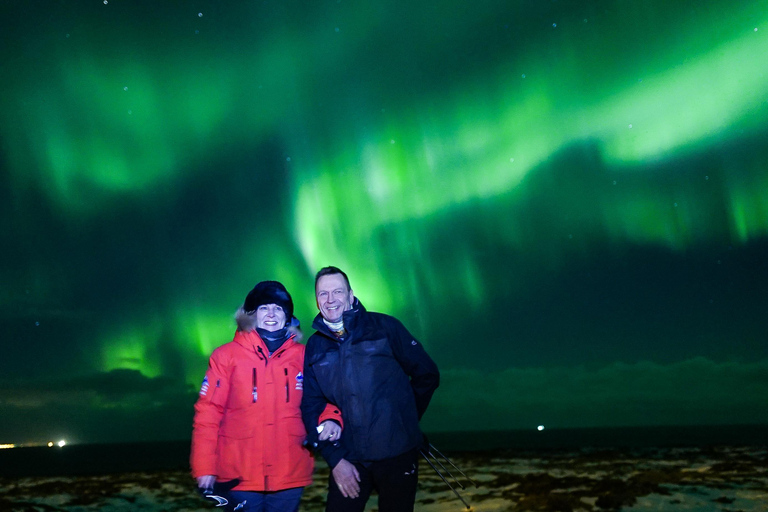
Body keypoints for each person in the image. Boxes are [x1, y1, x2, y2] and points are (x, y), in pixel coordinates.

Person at [191, 280, 343, 512]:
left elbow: (327, 397)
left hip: (289, 472)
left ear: (287, 315)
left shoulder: (305, 356)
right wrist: (204, 468)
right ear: (252, 314)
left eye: (278, 308)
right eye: (264, 308)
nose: (271, 313)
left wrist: (331, 417)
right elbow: (208, 413)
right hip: (238, 475)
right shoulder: (226, 356)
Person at [300, 267, 440, 512]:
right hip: (348, 458)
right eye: (323, 294)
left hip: (397, 453)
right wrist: (336, 460)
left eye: (337, 292)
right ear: (317, 299)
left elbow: (426, 374)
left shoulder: (385, 327)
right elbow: (312, 403)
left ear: (351, 295)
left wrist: (404, 419)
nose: (330, 300)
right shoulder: (315, 345)